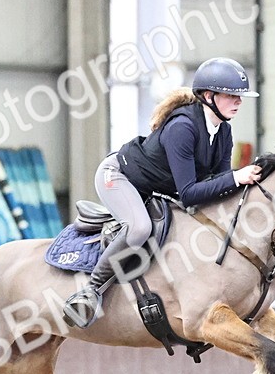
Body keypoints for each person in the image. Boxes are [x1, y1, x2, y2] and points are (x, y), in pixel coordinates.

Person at [62, 57, 261, 328]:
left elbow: (218, 182)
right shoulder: (183, 127)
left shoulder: (223, 131)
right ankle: (90, 291)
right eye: (231, 95)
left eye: (240, 96)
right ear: (209, 96)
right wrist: (237, 177)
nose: (238, 102)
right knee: (140, 229)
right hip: (118, 177)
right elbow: (189, 193)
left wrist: (239, 184)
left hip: (154, 188)